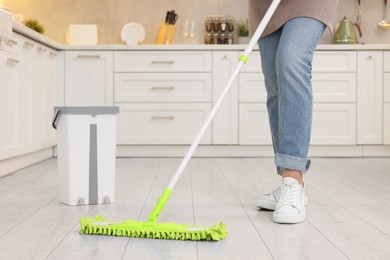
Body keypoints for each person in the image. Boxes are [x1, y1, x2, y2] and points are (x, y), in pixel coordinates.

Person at [248, 0, 339, 223]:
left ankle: (292, 175)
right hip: (265, 6)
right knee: (275, 85)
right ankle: (289, 180)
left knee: (291, 60)